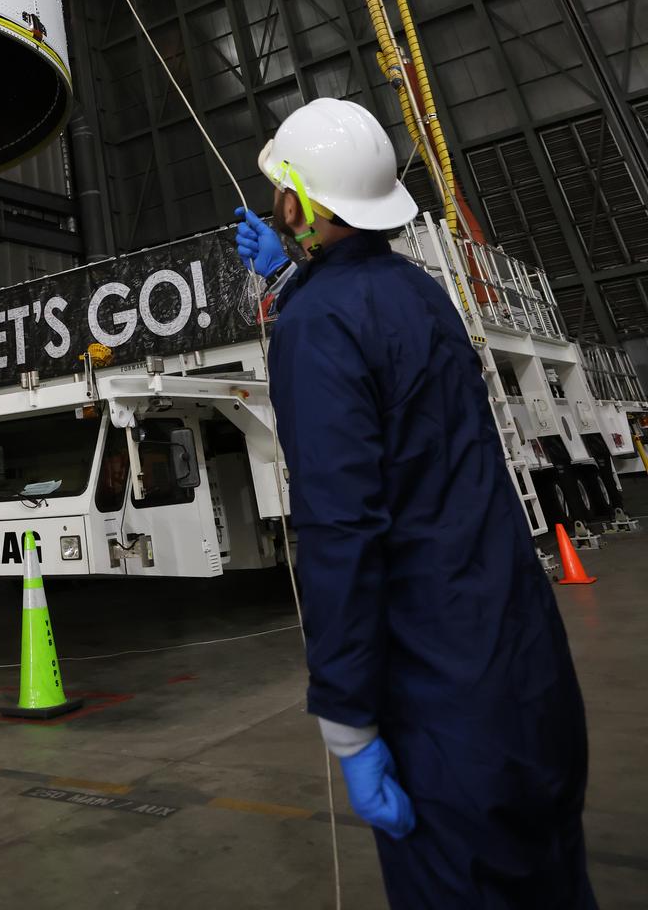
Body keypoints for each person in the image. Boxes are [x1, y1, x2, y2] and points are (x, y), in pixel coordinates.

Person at [235, 96, 596, 910]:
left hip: (443, 705)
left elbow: (342, 526)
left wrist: (348, 718)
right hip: (526, 674)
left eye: (279, 197)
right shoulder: (423, 294)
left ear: (295, 201)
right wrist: (294, 271)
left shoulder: (315, 328)